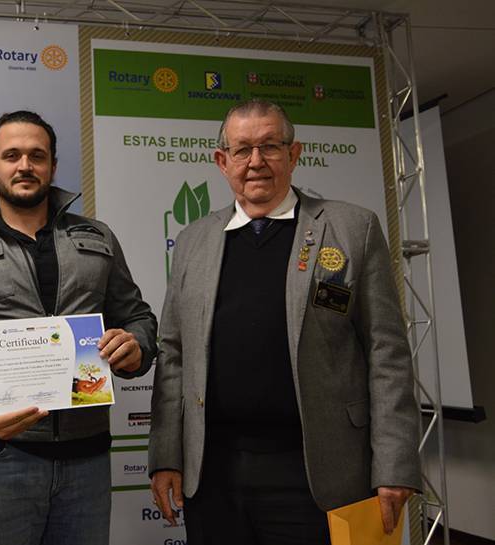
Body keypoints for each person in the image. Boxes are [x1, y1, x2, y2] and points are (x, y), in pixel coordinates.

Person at [148, 99, 420, 545]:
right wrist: (165, 455)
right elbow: (173, 354)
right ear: (222, 161)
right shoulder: (194, 240)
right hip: (213, 473)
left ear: (293, 155)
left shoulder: (353, 228)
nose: (256, 161)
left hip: (318, 473)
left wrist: (394, 463)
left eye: (270, 146)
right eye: (242, 149)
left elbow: (386, 352)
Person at [0, 110, 157, 545]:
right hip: (0, 459)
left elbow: (138, 317)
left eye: (37, 155)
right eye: (11, 155)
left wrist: (136, 345)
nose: (25, 165)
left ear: (52, 166)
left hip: (88, 461)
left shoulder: (98, 238)